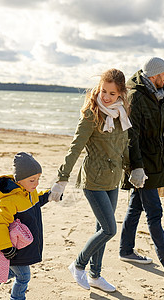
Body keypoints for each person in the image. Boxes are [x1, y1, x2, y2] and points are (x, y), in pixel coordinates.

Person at [49, 68, 131, 293]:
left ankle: (95, 275)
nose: (106, 97)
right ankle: (78, 265)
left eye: (112, 94)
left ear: (121, 94)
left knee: (101, 227)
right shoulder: (91, 113)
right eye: (103, 91)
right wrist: (61, 179)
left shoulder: (121, 113)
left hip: (113, 180)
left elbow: (123, 146)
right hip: (93, 181)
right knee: (109, 229)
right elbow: (75, 147)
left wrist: (134, 169)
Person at [119, 57, 164, 278]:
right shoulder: (136, 98)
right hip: (142, 166)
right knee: (154, 213)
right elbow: (131, 136)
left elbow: (156, 136)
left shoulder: (156, 96)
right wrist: (137, 169)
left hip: (153, 162)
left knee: (135, 208)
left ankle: (126, 250)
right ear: (153, 76)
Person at [0, 152, 52, 300]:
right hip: (13, 248)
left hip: (25, 245)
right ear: (20, 180)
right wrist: (5, 247)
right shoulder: (10, 200)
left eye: (38, 179)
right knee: (23, 277)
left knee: (12, 272)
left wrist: (50, 195)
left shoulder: (30, 192)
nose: (36, 184)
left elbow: (37, 200)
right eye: (32, 180)